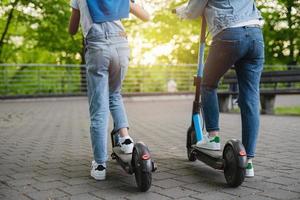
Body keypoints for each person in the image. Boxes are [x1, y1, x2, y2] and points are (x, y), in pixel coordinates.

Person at [176, 0, 264, 177]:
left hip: (229, 33)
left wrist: (181, 11)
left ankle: (213, 137)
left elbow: (193, 11)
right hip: (255, 34)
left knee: (207, 84)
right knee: (250, 97)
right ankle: (248, 162)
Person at [68, 0, 150, 180]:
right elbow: (146, 16)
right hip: (120, 44)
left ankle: (99, 165)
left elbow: (72, 29)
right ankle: (126, 139)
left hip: (97, 46)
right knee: (114, 94)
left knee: (99, 107)